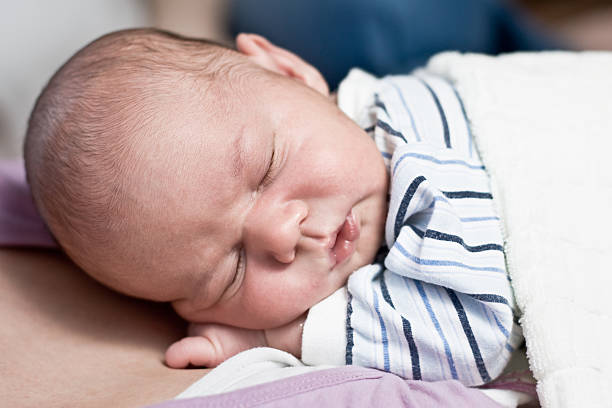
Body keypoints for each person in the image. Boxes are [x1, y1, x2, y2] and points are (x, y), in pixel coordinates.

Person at [23, 28, 521, 385]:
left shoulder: (411, 142)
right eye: (231, 270)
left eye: (266, 169)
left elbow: (474, 336)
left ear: (289, 71)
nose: (283, 235)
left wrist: (277, 335)